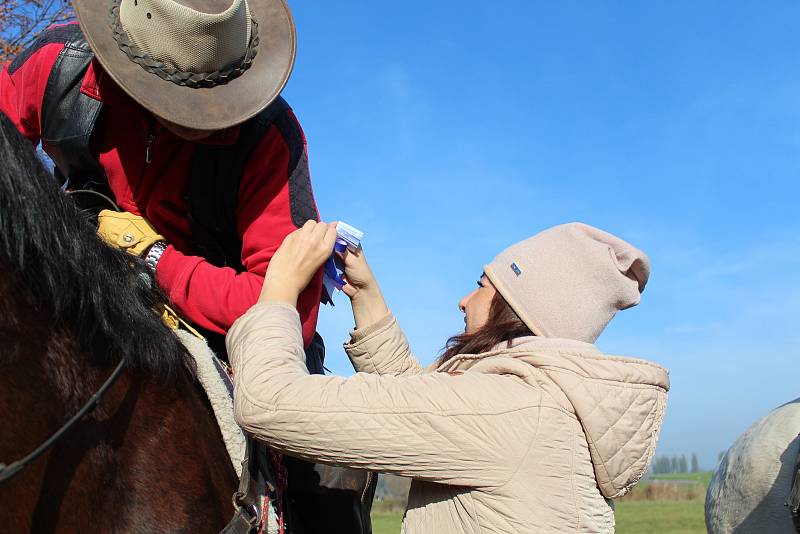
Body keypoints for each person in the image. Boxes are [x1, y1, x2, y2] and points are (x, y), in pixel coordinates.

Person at [227, 221, 671, 533]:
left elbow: (269, 400)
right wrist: (367, 296)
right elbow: (427, 404)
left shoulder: (510, 411)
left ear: (519, 307)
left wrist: (280, 288)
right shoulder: (539, 405)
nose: (464, 300)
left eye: (482, 285)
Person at [0, 0, 322, 358]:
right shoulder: (57, 61)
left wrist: (154, 258)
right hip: (75, 280)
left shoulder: (268, 137)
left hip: (211, 340)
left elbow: (286, 309)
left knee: (274, 406)